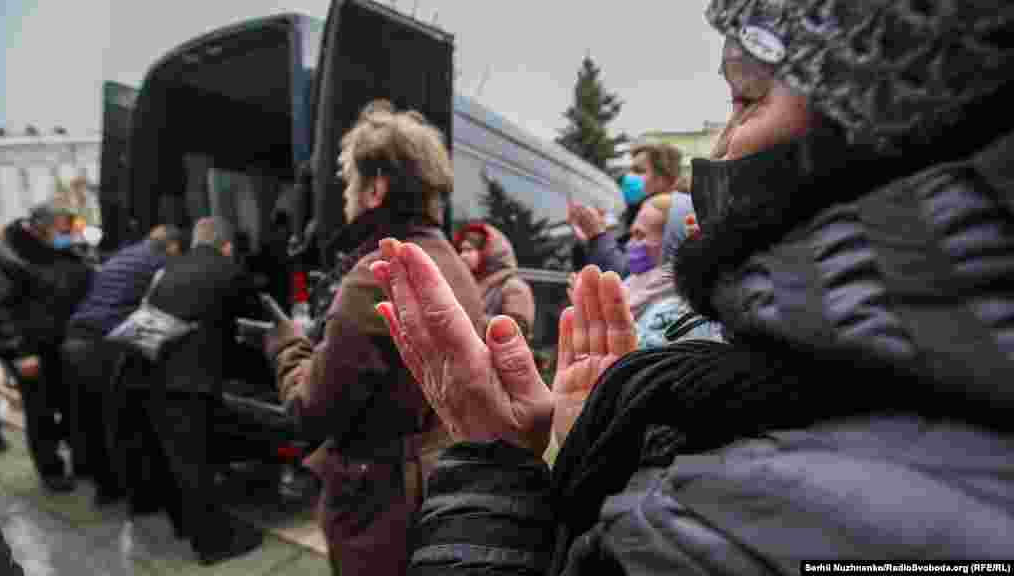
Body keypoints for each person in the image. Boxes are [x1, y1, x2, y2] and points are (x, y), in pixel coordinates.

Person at [370, 0, 1014, 572]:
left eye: (745, 98)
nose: (723, 146)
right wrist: (606, 444)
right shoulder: (818, 388)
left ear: (893, 134)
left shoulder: (749, 514)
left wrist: (493, 477)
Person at [265, 102, 487, 575]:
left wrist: (289, 346)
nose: (343, 194)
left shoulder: (377, 274)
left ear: (376, 188)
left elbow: (310, 410)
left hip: (381, 512)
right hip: (438, 493)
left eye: (348, 181)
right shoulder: (445, 258)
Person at [146, 217, 264, 565]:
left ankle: (187, 526)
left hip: (152, 375)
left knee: (177, 461)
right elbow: (254, 320)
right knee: (196, 465)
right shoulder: (228, 269)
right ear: (226, 246)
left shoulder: (168, 269)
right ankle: (213, 545)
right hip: (189, 383)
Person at [63, 225, 183, 506]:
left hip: (74, 340)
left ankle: (106, 489)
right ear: (174, 247)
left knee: (91, 420)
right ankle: (142, 498)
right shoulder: (160, 263)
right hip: (104, 346)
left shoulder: (122, 255)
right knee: (123, 422)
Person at [0, 201, 93, 492]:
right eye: (61, 229)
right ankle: (51, 470)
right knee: (40, 410)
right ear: (40, 228)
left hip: (66, 341)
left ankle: (82, 461)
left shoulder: (63, 249)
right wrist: (20, 352)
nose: (67, 234)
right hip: (31, 348)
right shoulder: (4, 255)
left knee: (74, 404)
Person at [620, 192, 721, 348]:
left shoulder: (676, 313)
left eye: (640, 236)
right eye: (632, 234)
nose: (629, 244)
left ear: (672, 241)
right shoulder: (633, 285)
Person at [568, 142, 682, 277]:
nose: (628, 177)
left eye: (639, 171)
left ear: (664, 178)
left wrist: (597, 236)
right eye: (630, 170)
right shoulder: (625, 218)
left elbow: (629, 279)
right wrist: (587, 241)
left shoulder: (668, 224)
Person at [455, 222, 536, 338]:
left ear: (489, 251)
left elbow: (516, 329)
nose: (462, 256)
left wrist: (470, 321)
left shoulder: (513, 286)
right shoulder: (465, 285)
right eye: (461, 251)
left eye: (469, 250)